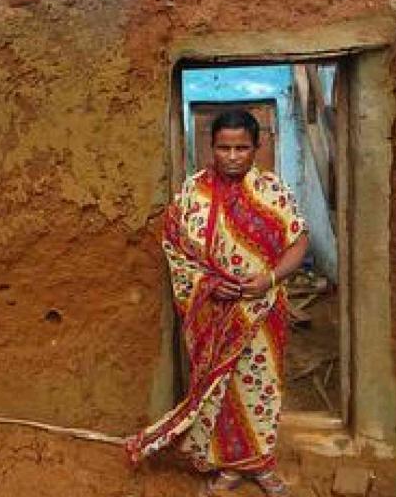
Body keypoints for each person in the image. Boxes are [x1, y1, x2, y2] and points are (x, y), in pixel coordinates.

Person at [126, 110, 309, 497]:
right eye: (224, 147)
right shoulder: (192, 193)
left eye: (242, 147)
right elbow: (174, 249)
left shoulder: (273, 191)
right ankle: (228, 467)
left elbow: (298, 243)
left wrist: (269, 279)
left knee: (262, 386)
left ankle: (261, 465)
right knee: (220, 389)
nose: (232, 156)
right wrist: (207, 284)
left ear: (257, 148)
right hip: (213, 314)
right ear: (211, 148)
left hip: (262, 311)